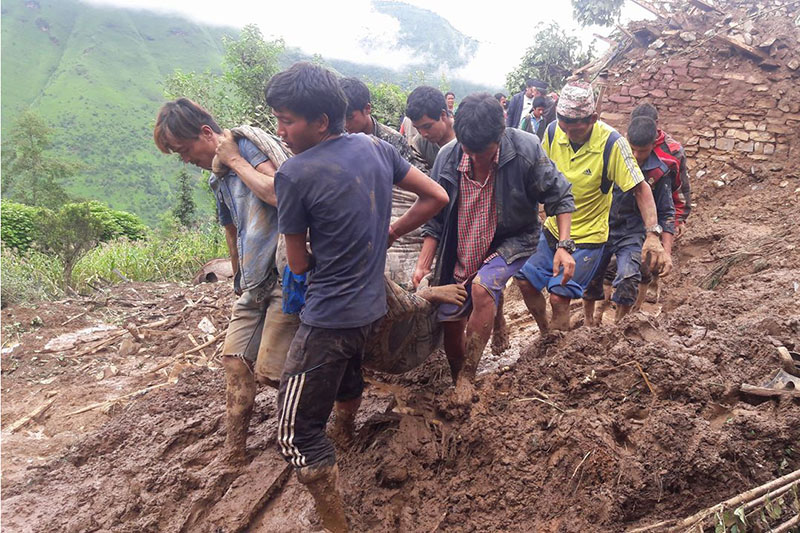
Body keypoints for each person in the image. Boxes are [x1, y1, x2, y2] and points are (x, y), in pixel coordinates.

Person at [267, 62, 449, 533]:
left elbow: (299, 265)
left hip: (327, 318)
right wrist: (389, 232)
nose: (281, 130)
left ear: (321, 121)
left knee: (294, 434)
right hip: (371, 307)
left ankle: (335, 523)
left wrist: (310, 254)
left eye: (287, 120)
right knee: (348, 371)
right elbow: (436, 198)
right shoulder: (375, 148)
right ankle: (344, 432)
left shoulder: (293, 175)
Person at [153, 98, 296, 465]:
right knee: (234, 363)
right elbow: (231, 227)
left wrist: (234, 160)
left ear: (206, 133)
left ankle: (305, 434)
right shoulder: (217, 176)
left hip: (285, 273)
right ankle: (234, 452)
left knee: (272, 373)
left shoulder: (244, 146)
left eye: (185, 150)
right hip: (254, 281)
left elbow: (280, 192)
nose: (185, 159)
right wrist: (236, 275)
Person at [413, 93, 575, 405]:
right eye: (469, 153)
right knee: (450, 319)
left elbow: (560, 195)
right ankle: (457, 371)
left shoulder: (525, 148)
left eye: (483, 153)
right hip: (460, 243)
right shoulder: (448, 158)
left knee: (482, 289)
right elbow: (433, 219)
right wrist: (423, 265)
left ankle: (467, 377)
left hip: (511, 239)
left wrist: (564, 246)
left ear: (499, 136)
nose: (476, 160)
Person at [514, 81, 668, 332]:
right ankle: (546, 335)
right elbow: (539, 174)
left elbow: (641, 188)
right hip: (554, 229)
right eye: (565, 125)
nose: (569, 133)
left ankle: (556, 344)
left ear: (593, 119)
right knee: (524, 281)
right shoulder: (553, 132)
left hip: (588, 237)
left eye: (576, 129)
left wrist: (652, 234)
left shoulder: (612, 144)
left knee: (559, 296)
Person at [583, 116, 675, 325]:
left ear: (653, 144)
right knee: (591, 275)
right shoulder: (608, 159)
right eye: (632, 149)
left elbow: (667, 212)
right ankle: (588, 322)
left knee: (628, 276)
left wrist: (665, 251)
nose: (635, 156)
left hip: (633, 233)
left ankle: (619, 325)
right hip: (601, 226)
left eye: (641, 151)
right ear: (625, 139)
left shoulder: (658, 173)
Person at [340, 77, 426, 171]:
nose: (345, 124)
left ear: (367, 108)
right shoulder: (338, 139)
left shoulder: (393, 140)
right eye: (340, 118)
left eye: (349, 118)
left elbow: (417, 176)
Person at [630, 103, 691, 236]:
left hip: (660, 211)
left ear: (656, 124)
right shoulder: (624, 146)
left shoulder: (673, 152)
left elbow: (680, 186)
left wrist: (679, 219)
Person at [405, 86, 456, 171]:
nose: (423, 134)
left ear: (443, 115)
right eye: (417, 128)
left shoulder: (466, 137)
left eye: (427, 126)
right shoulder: (419, 144)